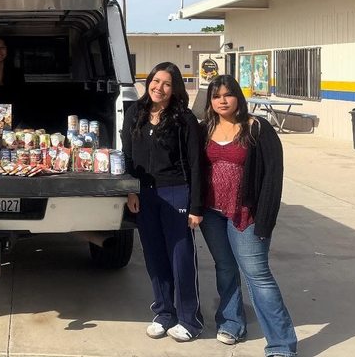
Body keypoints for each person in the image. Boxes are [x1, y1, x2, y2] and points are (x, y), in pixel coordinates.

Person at [199, 75, 297, 356]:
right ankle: (231, 322)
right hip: (212, 213)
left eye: (228, 95)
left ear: (238, 97)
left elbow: (272, 177)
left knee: (258, 275)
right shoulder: (205, 128)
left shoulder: (257, 128)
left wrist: (266, 218)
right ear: (210, 101)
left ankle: (281, 344)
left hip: (246, 214)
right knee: (225, 267)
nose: (222, 101)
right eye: (216, 96)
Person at [122, 62, 204, 342]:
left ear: (175, 88)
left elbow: (196, 164)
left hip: (176, 191)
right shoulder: (135, 113)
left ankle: (189, 318)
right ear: (149, 82)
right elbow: (128, 155)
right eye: (156, 81)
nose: (159, 87)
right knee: (154, 254)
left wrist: (195, 206)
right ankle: (164, 312)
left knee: (180, 256)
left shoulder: (184, 118)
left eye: (167, 83)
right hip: (144, 194)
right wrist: (130, 190)